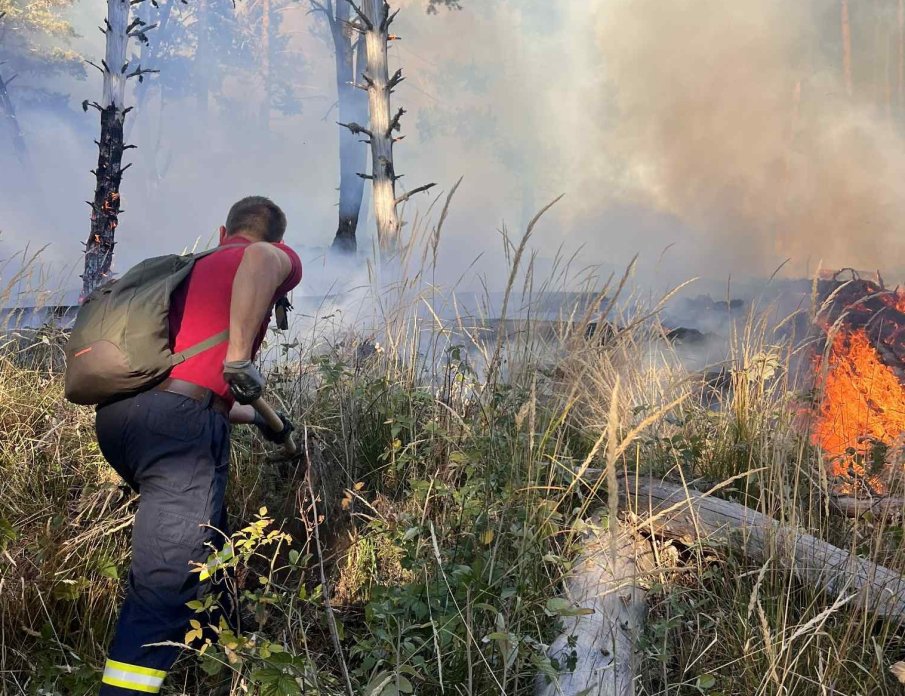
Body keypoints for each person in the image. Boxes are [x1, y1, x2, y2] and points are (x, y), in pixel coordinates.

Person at [94, 196, 302, 695]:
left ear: (220, 229)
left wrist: (268, 421)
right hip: (177, 430)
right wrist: (238, 357)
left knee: (211, 540)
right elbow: (258, 260)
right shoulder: (268, 256)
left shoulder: (187, 270)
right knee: (167, 582)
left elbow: (197, 391)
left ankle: (231, 661)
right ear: (275, 238)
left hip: (123, 420)